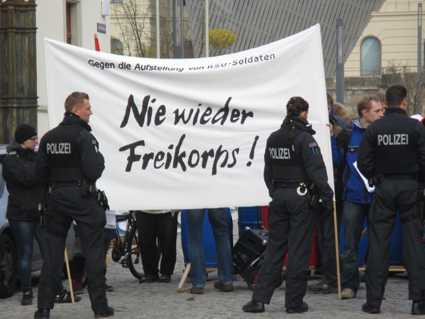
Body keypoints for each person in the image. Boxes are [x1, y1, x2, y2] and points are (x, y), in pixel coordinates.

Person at [242, 96, 333, 313]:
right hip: (300, 199)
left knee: (274, 249)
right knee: (299, 249)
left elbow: (268, 172)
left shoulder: (273, 138)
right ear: (304, 113)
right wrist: (327, 196)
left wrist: (276, 192)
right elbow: (317, 173)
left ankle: (259, 299)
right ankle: (293, 302)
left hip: (279, 197)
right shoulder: (305, 139)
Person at [34, 92, 113, 319]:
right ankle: (100, 308)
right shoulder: (83, 136)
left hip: (56, 198)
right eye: (88, 108)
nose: (91, 112)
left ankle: (43, 309)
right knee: (94, 252)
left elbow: (39, 173)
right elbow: (94, 170)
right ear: (77, 109)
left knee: (52, 256)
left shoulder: (49, 138)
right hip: (82, 198)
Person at [358, 85, 425, 315]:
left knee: (378, 244)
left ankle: (374, 302)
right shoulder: (416, 127)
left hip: (384, 187)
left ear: (386, 103)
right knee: (414, 244)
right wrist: (420, 184)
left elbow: (363, 160)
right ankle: (418, 302)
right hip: (410, 187)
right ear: (404, 102)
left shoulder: (375, 128)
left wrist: (375, 177)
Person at [338, 96, 384, 299]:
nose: (382, 114)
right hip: (354, 196)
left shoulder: (383, 132)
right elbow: (339, 164)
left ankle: (375, 287)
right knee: (350, 244)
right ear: (364, 113)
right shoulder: (348, 134)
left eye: (382, 110)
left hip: (378, 196)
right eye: (377, 111)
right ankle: (349, 285)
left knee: (378, 243)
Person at [2, 124, 45, 305]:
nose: (36, 142)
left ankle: (53, 287)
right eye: (32, 139)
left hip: (39, 210)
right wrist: (39, 171)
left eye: (36, 138)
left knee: (48, 250)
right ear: (22, 141)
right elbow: (26, 178)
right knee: (25, 252)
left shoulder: (36, 157)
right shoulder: (10, 160)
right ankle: (27, 291)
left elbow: (44, 175)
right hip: (20, 213)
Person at [186, 208, 233, 294]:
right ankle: (226, 280)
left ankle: (198, 283)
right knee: (222, 234)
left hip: (194, 196)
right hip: (216, 196)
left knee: (194, 237)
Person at [135, 210, 178, 283]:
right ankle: (150, 273)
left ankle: (166, 272)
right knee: (146, 241)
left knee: (168, 241)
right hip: (143, 208)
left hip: (166, 209)